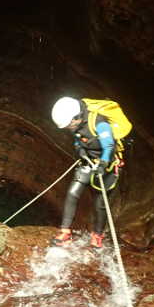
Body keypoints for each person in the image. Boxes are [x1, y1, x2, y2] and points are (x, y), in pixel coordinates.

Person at [50, 96, 124, 249]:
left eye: (69, 125)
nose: (68, 128)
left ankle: (97, 235)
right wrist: (80, 150)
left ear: (76, 117)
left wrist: (103, 164)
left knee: (100, 204)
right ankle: (65, 232)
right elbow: (78, 139)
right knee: (72, 193)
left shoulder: (99, 123)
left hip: (107, 166)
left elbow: (109, 146)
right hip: (88, 162)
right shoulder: (76, 125)